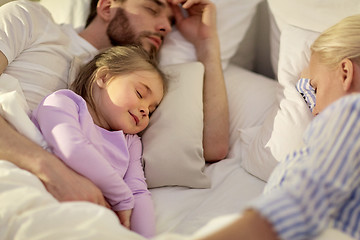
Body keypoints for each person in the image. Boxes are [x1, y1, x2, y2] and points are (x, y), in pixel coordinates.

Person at [0, 0, 229, 210]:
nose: (167, 28)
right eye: (152, 9)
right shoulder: (30, 19)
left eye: (170, 21)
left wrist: (207, 42)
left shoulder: (139, 91)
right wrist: (51, 170)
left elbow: (214, 147)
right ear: (107, 7)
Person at [197, 14, 360, 240]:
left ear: (345, 72)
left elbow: (296, 210)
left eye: (315, 89)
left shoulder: (352, 113)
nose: (313, 110)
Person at [31, 46, 165, 238]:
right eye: (140, 94)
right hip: (48, 200)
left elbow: (137, 191)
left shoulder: (130, 142)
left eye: (151, 110)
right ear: (104, 77)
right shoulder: (63, 102)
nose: (145, 110)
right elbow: (72, 149)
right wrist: (121, 198)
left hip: (94, 218)